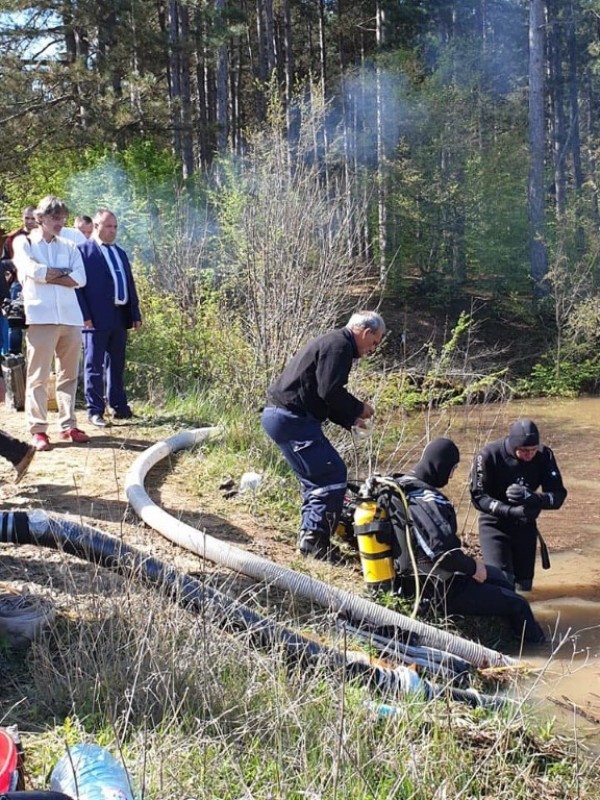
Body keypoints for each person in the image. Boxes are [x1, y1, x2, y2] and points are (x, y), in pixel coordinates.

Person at [261, 311, 384, 561]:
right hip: (291, 418)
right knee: (330, 474)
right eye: (375, 342)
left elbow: (321, 395)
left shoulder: (335, 344)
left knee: (318, 476)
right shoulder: (339, 346)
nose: (373, 348)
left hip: (285, 416)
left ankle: (311, 536)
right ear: (366, 332)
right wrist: (360, 408)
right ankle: (314, 543)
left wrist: (350, 420)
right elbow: (330, 391)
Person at [397, 438, 546, 644]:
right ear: (440, 466)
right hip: (439, 589)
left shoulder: (399, 487)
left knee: (501, 579)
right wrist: (472, 567)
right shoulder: (428, 501)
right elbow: (443, 554)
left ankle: (507, 624)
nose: (450, 476)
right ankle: (539, 650)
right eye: (452, 469)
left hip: (410, 578)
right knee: (519, 604)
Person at [13, 195, 90, 451]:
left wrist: (49, 274)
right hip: (41, 316)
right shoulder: (24, 242)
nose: (60, 222)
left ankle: (68, 424)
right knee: (39, 375)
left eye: (62, 217)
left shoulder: (69, 245)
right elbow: (32, 271)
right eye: (55, 218)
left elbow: (80, 278)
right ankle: (38, 429)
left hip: (70, 316)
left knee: (69, 375)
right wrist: (59, 273)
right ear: (40, 218)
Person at [470, 418, 567, 592]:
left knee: (524, 586)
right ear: (513, 446)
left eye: (533, 449)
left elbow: (558, 495)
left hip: (525, 524)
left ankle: (524, 616)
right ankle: (498, 617)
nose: (530, 454)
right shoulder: (488, 456)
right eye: (524, 450)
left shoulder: (544, 455)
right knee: (502, 582)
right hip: (495, 525)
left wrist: (535, 498)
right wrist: (509, 510)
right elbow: (478, 497)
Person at [76, 209, 142, 427]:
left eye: (115, 227)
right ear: (96, 226)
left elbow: (128, 283)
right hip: (94, 318)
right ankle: (95, 411)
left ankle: (119, 406)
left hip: (119, 315)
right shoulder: (83, 251)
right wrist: (84, 315)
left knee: (117, 363)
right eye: (108, 226)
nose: (113, 231)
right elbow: (78, 288)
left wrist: (134, 313)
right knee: (93, 365)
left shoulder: (120, 252)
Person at [0, 206, 37, 355]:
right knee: (15, 323)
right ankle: (14, 358)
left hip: (41, 284)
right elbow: (3, 262)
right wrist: (17, 263)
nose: (29, 221)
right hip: (18, 284)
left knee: (38, 323)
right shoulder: (12, 238)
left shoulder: (45, 237)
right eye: (26, 218)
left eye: (32, 218)